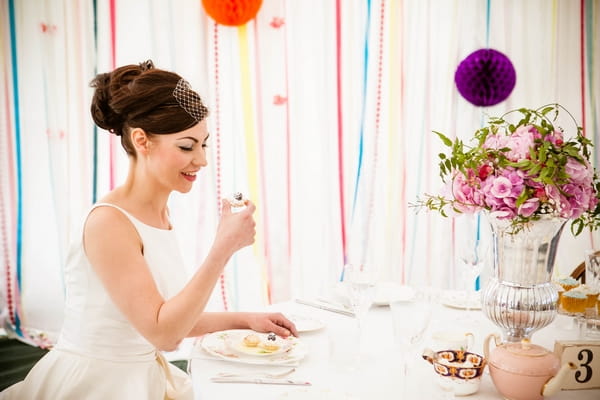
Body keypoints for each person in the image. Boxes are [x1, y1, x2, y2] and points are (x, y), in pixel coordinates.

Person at [0, 60, 297, 399]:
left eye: (204, 144)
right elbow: (164, 334)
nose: (201, 160)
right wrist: (223, 248)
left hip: (143, 378)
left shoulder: (159, 214)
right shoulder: (109, 223)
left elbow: (155, 317)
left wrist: (247, 320)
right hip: (99, 385)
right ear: (142, 140)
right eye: (187, 146)